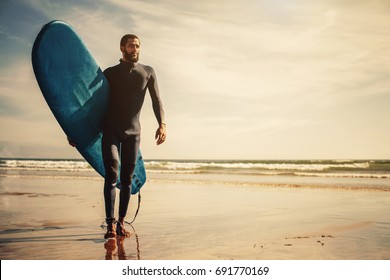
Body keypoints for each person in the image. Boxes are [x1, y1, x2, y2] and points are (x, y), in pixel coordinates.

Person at [69, 34, 166, 238]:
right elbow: (91, 105)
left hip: (133, 133)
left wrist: (162, 124)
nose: (136, 49)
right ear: (122, 48)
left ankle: (121, 223)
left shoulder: (148, 72)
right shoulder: (109, 73)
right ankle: (110, 224)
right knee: (112, 175)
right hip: (111, 129)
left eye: (138, 45)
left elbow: (156, 100)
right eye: (132, 46)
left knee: (127, 180)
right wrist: (75, 131)